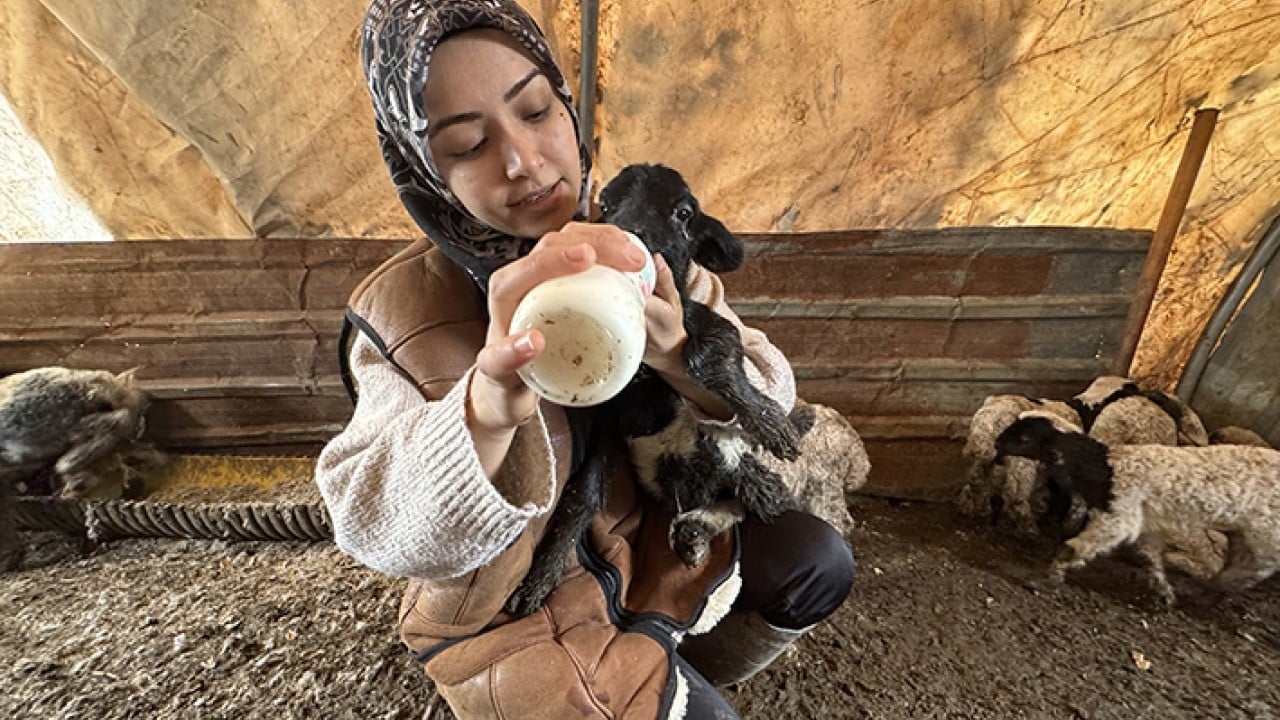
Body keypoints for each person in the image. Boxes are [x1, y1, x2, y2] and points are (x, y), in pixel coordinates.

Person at [316, 1, 855, 717]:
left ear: (568, 106)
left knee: (818, 562)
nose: (524, 161)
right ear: (424, 169)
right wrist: (482, 411)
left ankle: (684, 675)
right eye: (468, 144)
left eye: (535, 111)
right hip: (520, 608)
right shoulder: (400, 315)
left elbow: (771, 393)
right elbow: (370, 521)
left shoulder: (635, 235)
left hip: (651, 528)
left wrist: (679, 354)